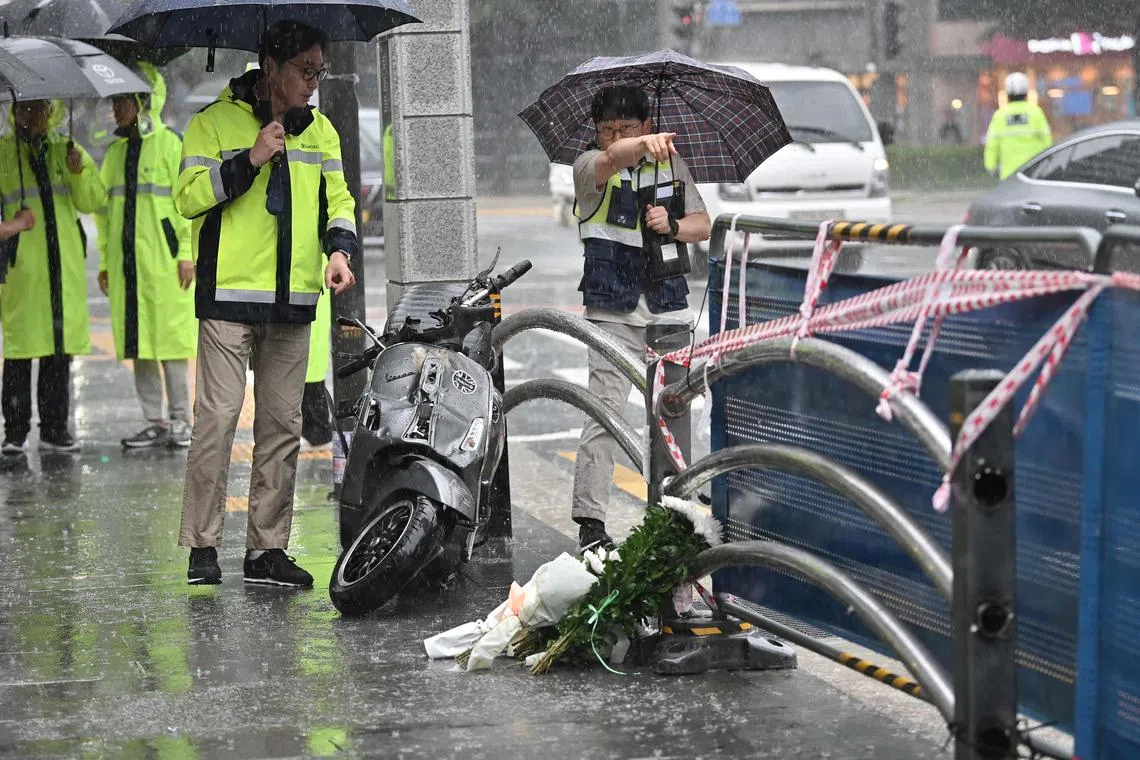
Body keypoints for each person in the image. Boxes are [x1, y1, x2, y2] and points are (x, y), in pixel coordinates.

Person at [175, 20, 357, 587]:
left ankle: (266, 551)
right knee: (218, 423)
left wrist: (340, 251)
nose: (313, 83)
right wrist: (248, 161)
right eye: (305, 71)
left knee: (282, 427)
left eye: (319, 73)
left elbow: (340, 200)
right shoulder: (212, 124)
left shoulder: (320, 132)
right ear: (270, 66)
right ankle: (203, 546)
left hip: (294, 301)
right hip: (229, 300)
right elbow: (187, 198)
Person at [570, 85, 711, 552]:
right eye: (605, 129)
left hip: (668, 309)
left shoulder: (672, 163)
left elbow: (702, 224)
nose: (613, 137)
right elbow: (613, 160)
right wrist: (631, 145)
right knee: (604, 414)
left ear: (646, 124)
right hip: (612, 312)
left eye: (625, 128)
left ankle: (672, 512)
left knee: (674, 414)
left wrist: (670, 226)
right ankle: (591, 522)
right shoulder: (589, 165)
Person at [96, 63, 198, 450]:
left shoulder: (171, 145)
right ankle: (154, 420)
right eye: (115, 100)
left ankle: (181, 422)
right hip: (129, 266)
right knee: (138, 343)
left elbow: (188, 205)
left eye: (122, 100)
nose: (116, 108)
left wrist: (187, 254)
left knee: (170, 344)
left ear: (143, 101)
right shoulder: (115, 152)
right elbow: (105, 215)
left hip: (165, 262)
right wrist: (106, 262)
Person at [0, 100, 105, 455]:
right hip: (25, 268)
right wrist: (13, 225)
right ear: (13, 113)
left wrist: (78, 172)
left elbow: (92, 201)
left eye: (38, 108)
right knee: (20, 350)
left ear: (51, 111)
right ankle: (14, 432)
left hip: (65, 267)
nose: (31, 115)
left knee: (59, 350)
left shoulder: (67, 149)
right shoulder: (2, 153)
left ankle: (55, 429)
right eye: (24, 109)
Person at [984, 72, 1053, 180]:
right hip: (1034, 173)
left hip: (1009, 177)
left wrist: (991, 167)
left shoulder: (1000, 115)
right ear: (1026, 93)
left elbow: (991, 145)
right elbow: (1047, 141)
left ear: (1007, 94)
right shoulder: (1036, 113)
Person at [300, 287, 334, 451]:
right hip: (311, 293)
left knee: (310, 364)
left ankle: (316, 431)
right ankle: (316, 430)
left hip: (309, 295)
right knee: (311, 364)